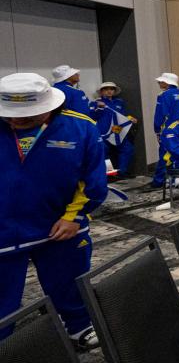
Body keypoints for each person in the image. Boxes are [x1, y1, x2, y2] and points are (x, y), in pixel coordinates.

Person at [0, 73, 107, 349]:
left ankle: (79, 326)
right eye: (9, 116)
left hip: (60, 227)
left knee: (70, 282)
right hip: (4, 232)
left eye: (23, 118)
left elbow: (92, 179)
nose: (13, 122)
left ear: (47, 108)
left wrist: (75, 217)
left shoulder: (80, 128)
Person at [151, 72, 179, 188]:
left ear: (166, 82)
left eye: (160, 81)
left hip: (169, 129)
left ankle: (159, 181)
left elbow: (160, 115)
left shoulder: (164, 95)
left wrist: (157, 130)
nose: (159, 83)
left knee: (165, 155)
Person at [89, 81, 137, 177]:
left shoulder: (119, 102)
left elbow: (122, 115)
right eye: (106, 89)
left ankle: (122, 172)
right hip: (102, 132)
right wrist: (99, 108)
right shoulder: (95, 103)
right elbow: (91, 116)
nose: (109, 91)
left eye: (111, 89)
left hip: (117, 131)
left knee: (127, 149)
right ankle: (108, 174)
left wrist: (130, 118)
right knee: (103, 152)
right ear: (101, 92)